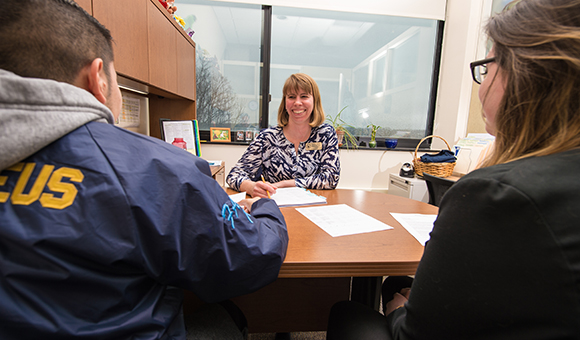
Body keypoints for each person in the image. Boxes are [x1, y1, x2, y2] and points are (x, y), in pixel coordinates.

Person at [0, 1, 288, 339]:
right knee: (225, 314)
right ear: (98, 79)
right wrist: (267, 210)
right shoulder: (155, 168)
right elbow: (247, 259)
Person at [327, 0, 580, 339]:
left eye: (487, 67)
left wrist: (399, 310)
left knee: (348, 312)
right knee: (400, 283)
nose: (482, 84)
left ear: (524, 76)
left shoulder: (496, 194)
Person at [226, 73, 340, 198]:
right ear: (285, 102)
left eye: (304, 96)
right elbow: (234, 175)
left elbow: (331, 178)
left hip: (314, 208)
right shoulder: (267, 137)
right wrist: (251, 187)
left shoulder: (326, 134)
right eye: (291, 97)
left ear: (315, 101)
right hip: (274, 206)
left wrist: (285, 184)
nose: (297, 102)